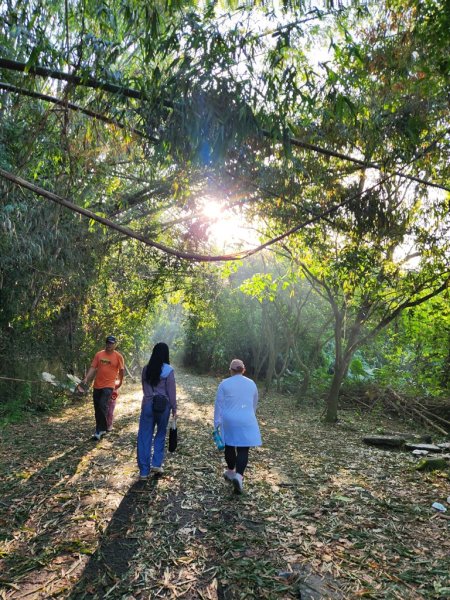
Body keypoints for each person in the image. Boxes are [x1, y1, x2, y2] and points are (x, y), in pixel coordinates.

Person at [214, 358, 262, 494]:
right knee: (243, 449)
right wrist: (249, 415)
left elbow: (219, 404)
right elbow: (254, 403)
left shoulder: (224, 384)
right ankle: (239, 476)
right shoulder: (252, 383)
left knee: (229, 445)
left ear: (230, 370)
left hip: (229, 419)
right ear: (243, 370)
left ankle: (230, 471)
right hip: (246, 418)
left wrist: (216, 422)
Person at [137, 342, 177, 480]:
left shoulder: (146, 369)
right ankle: (156, 464)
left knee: (144, 436)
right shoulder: (169, 370)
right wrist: (174, 409)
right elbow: (171, 392)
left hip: (148, 405)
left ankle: (143, 471)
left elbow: (144, 388)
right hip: (163, 406)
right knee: (160, 434)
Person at [78, 335, 125, 441]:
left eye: (112, 343)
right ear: (106, 343)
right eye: (108, 343)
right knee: (97, 408)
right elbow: (93, 367)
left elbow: (122, 371)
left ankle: (99, 430)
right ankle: (102, 428)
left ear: (115, 344)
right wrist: (86, 379)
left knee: (102, 405)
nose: (109, 345)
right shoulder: (99, 354)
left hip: (109, 385)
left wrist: (120, 382)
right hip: (97, 385)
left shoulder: (118, 356)